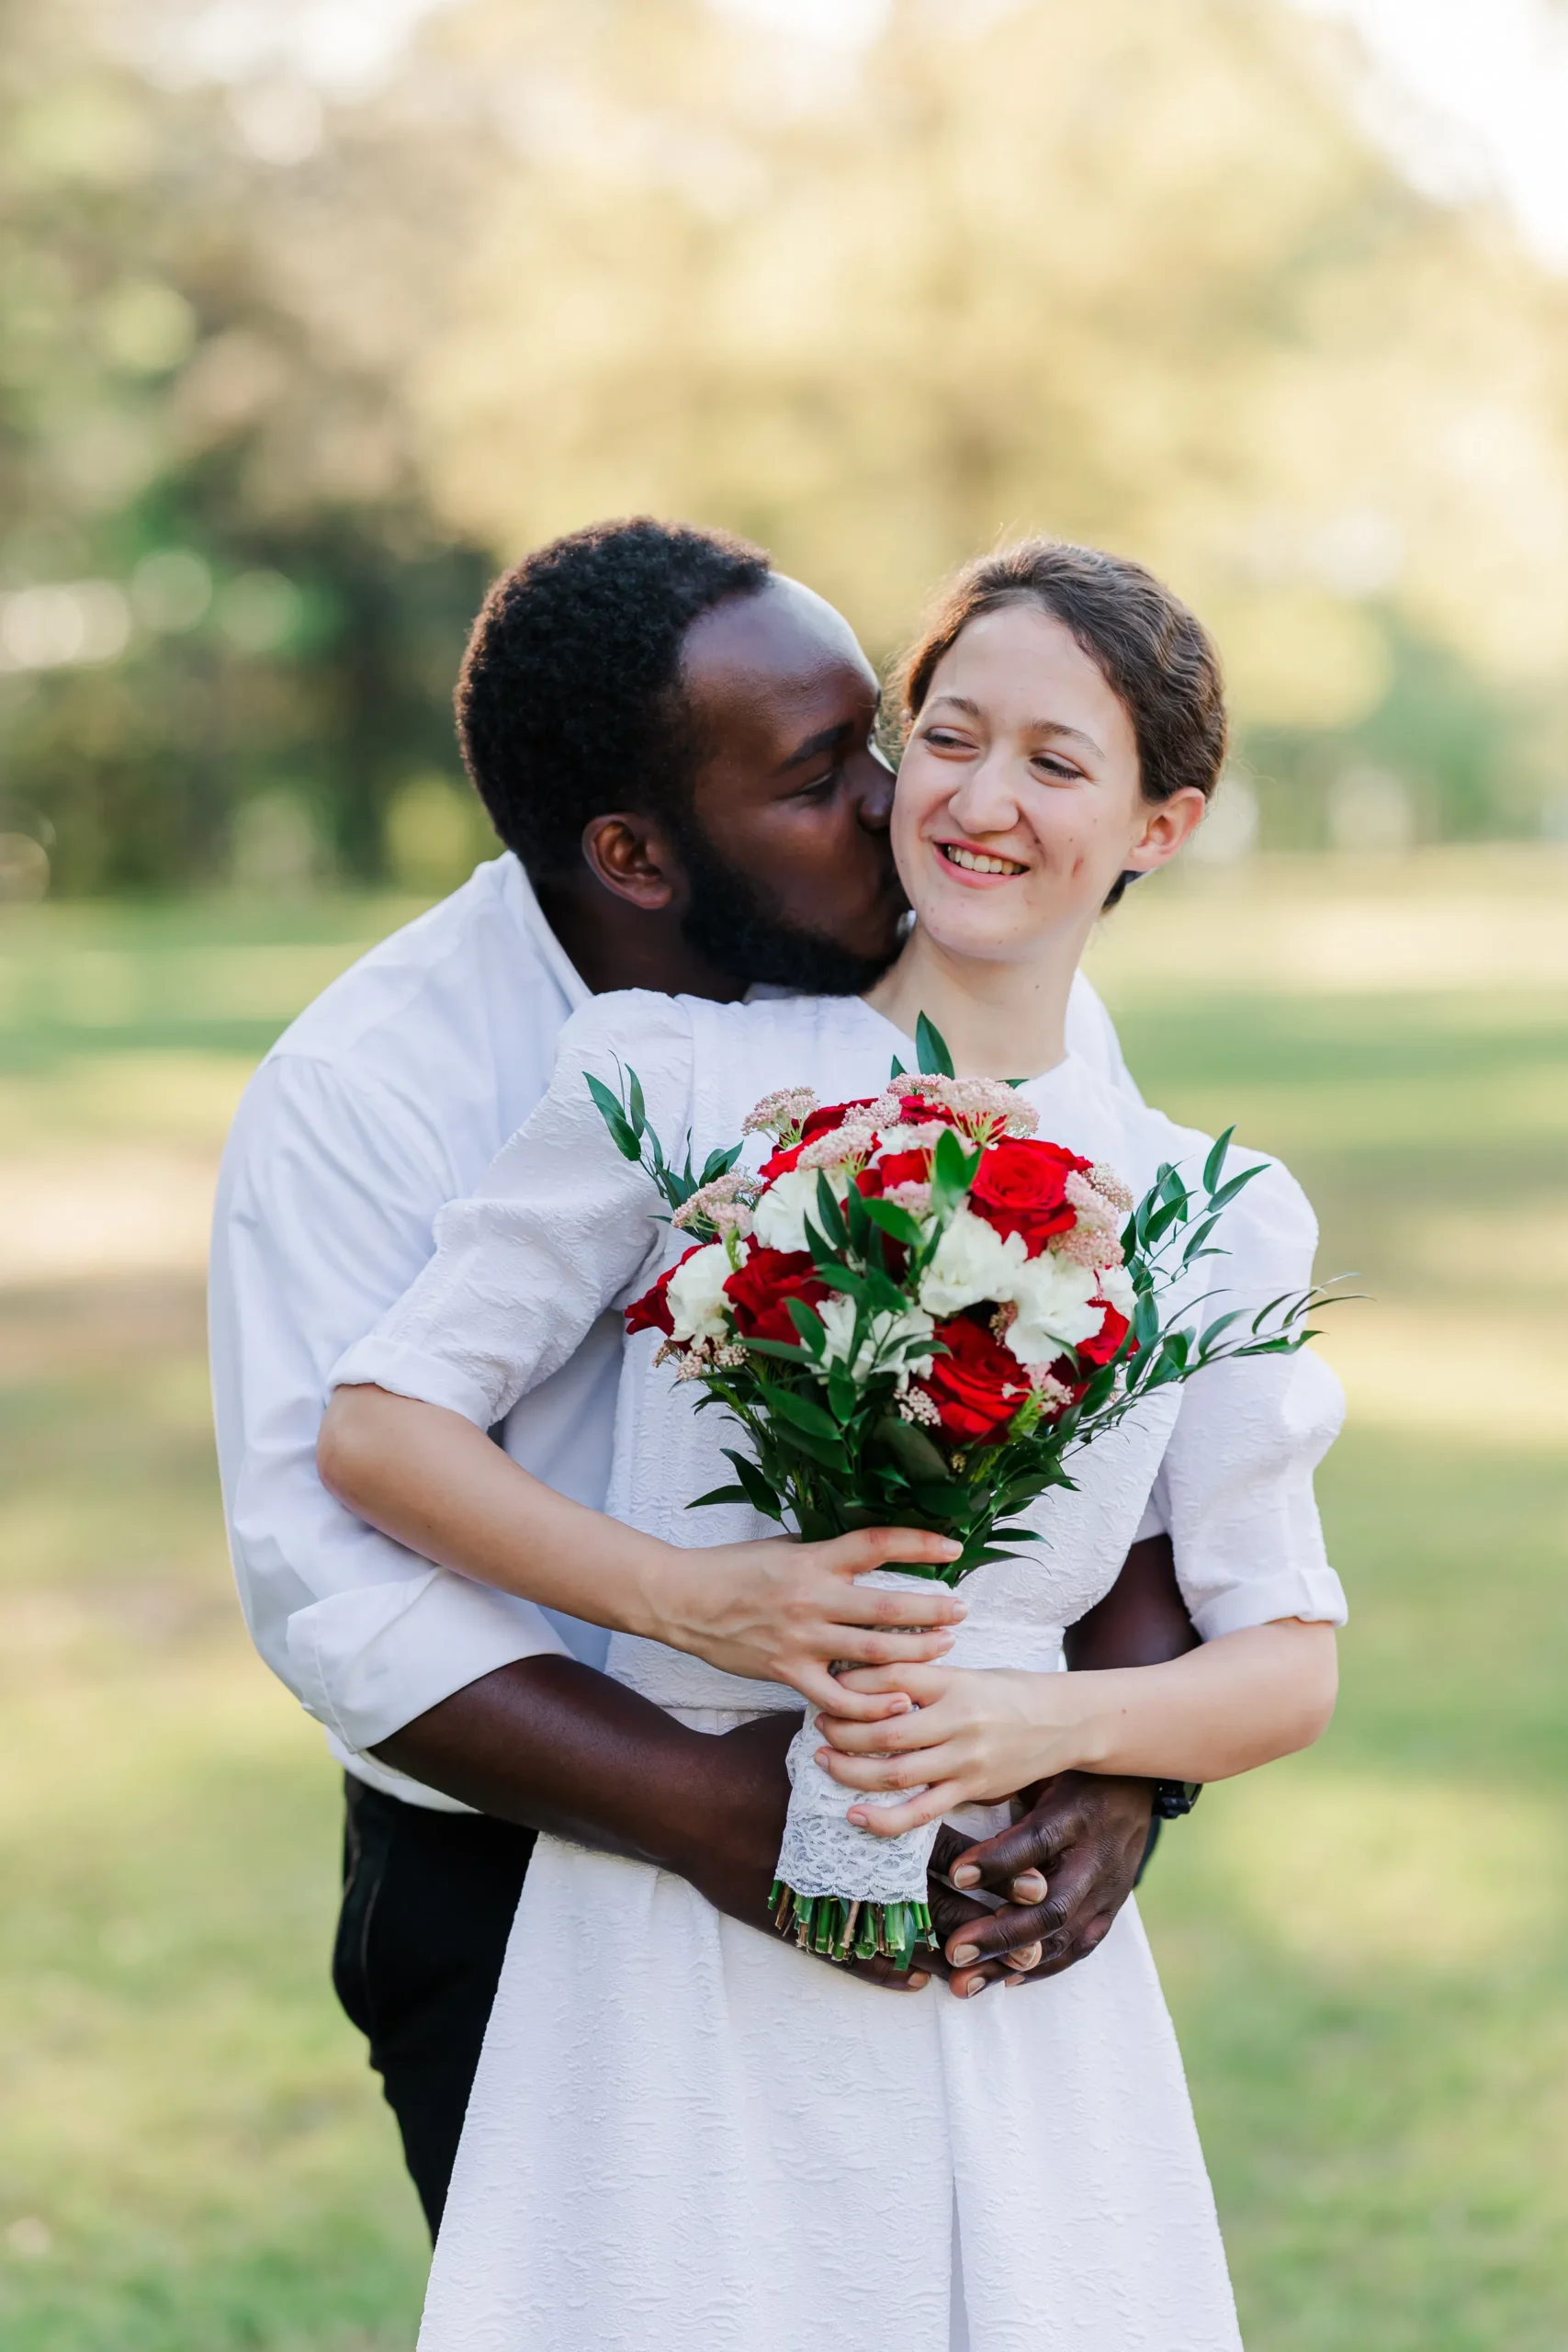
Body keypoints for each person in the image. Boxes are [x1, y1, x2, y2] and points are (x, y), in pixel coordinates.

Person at [321, 537, 1348, 2348]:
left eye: (1055, 760)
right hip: (669, 1939)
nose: (980, 797)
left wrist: (1050, 1726)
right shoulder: (679, 1078)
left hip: (998, 1954)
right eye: (947, 734)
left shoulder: (1209, 1207)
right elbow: (384, 1431)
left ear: (1159, 826)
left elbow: (1283, 1656)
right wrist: (701, 1602)